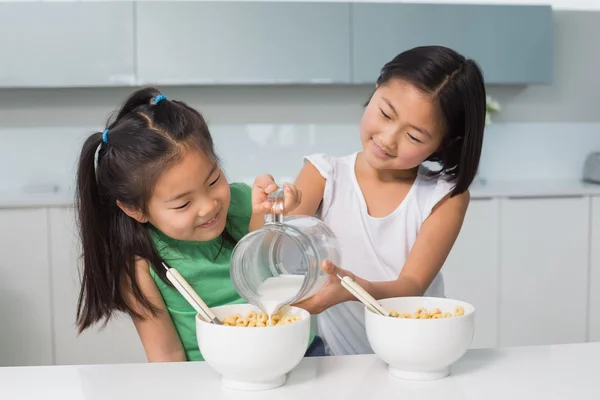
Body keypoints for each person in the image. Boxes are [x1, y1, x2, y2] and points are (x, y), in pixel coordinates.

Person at [74, 87, 321, 362]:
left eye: (214, 180)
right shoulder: (140, 264)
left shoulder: (243, 202)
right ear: (135, 209)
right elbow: (165, 354)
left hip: (297, 355)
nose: (209, 206)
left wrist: (271, 212)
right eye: (183, 204)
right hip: (210, 378)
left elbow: (269, 273)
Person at [289, 45, 487, 356]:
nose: (388, 139)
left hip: (420, 356)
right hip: (342, 361)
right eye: (385, 113)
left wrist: (352, 289)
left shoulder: (444, 197)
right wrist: (270, 207)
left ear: (445, 142)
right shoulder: (324, 175)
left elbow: (410, 286)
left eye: (415, 137)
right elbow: (272, 244)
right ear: (377, 87)